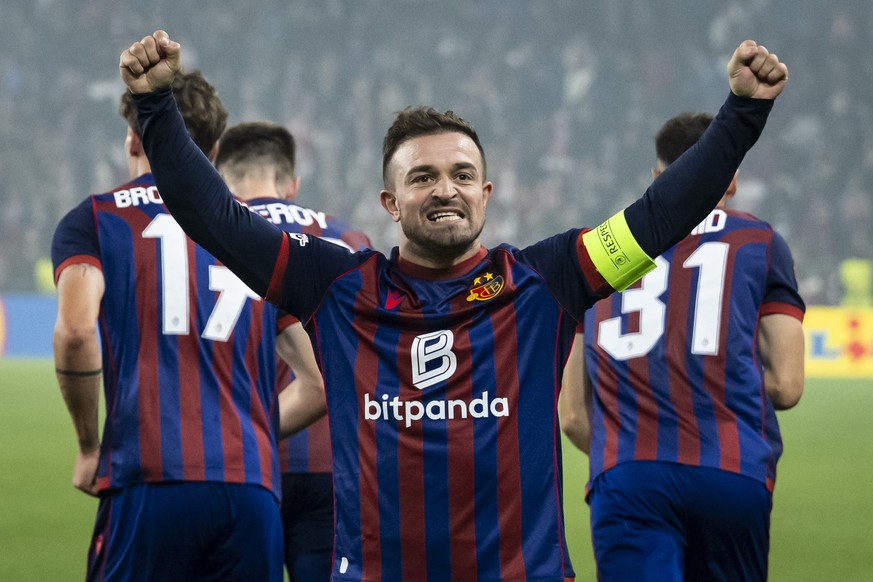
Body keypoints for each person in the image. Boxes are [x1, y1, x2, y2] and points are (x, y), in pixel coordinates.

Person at [118, 30, 788, 582]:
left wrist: (742, 113)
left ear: (486, 192)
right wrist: (155, 107)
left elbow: (660, 215)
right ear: (390, 202)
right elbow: (216, 220)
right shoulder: (333, 287)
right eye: (422, 177)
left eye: (461, 175)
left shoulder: (548, 281)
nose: (445, 190)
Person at [51, 72, 294, 581]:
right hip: (253, 488)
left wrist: (89, 445)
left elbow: (75, 332)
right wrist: (249, 440)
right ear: (217, 148)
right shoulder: (261, 231)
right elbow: (314, 379)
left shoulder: (95, 219)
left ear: (134, 139)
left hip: (149, 478)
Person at [558, 112, 805, 581]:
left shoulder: (597, 249)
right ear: (731, 180)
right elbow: (788, 386)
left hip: (628, 475)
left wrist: (631, 445)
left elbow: (572, 415)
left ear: (656, 178)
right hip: (731, 472)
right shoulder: (761, 240)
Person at [214, 120, 372, 582]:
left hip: (242, 465)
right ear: (292, 184)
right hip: (334, 463)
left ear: (220, 178)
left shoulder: (209, 239)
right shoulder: (350, 240)